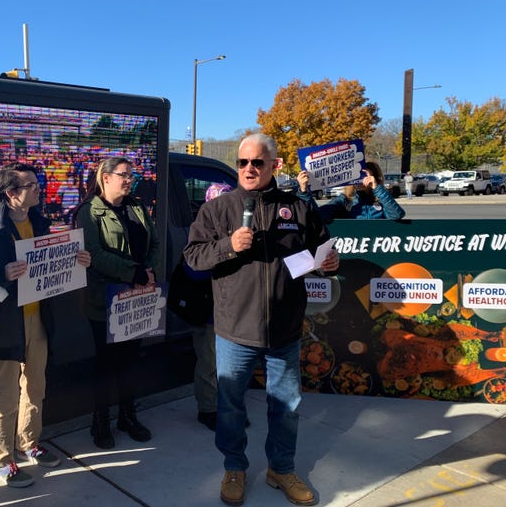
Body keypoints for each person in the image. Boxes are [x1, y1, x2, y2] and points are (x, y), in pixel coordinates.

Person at [184, 133, 339, 506]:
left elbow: (319, 252)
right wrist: (228, 246)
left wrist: (329, 265)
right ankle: (234, 467)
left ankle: (281, 468)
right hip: (235, 330)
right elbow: (193, 257)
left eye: (257, 162)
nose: (249, 169)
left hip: (283, 331)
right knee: (231, 406)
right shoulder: (218, 210)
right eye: (242, 162)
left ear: (275, 165)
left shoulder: (299, 209)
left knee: (286, 407)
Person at [0, 163, 91, 488]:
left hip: (37, 318)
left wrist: (75, 261)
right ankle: (0, 459)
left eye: (38, 183)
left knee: (36, 386)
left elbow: (47, 267)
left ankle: (28, 442)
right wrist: (2, 275)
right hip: (5, 322)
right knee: (5, 393)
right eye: (32, 185)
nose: (39, 189)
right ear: (11, 193)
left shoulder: (39, 221)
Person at [75, 157, 159, 449]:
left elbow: (155, 242)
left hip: (137, 298)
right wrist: (131, 271)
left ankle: (128, 415)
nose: (128, 180)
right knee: (106, 363)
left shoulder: (136, 207)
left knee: (129, 361)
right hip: (104, 299)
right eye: (123, 175)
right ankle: (100, 421)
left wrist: (146, 272)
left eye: (131, 176)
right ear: (106, 177)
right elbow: (93, 254)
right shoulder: (90, 212)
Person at [168, 182, 232, 431]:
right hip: (208, 312)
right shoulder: (202, 232)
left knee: (230, 364)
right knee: (209, 362)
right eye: (219, 205)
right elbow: (193, 271)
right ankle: (209, 409)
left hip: (232, 311)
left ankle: (228, 406)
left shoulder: (240, 230)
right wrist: (224, 260)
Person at [296, 160, 405, 223]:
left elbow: (397, 215)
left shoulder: (382, 200)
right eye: (358, 176)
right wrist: (304, 191)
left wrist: (377, 188)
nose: (361, 181)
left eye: (365, 176)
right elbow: (317, 216)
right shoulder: (345, 201)